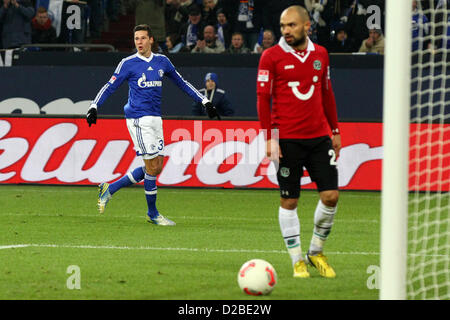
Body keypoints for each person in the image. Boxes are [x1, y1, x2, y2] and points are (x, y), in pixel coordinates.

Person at [86, 24, 219, 226]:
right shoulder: (128, 63)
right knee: (151, 166)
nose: (139, 42)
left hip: (156, 118)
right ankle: (153, 213)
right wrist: (94, 106)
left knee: (156, 167)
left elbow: (182, 83)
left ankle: (110, 188)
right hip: (138, 119)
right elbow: (110, 86)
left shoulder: (162, 61)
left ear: (151, 40)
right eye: (136, 38)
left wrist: (205, 101)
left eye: (142, 38)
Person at [256, 5, 341, 278]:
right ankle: (297, 260)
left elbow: (327, 93)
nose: (286, 31)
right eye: (283, 26)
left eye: (291, 25)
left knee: (331, 196)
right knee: (290, 201)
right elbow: (262, 99)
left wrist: (335, 130)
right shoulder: (271, 57)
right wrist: (270, 137)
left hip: (318, 138)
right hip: (287, 140)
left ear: (307, 25)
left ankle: (315, 252)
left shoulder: (321, 55)